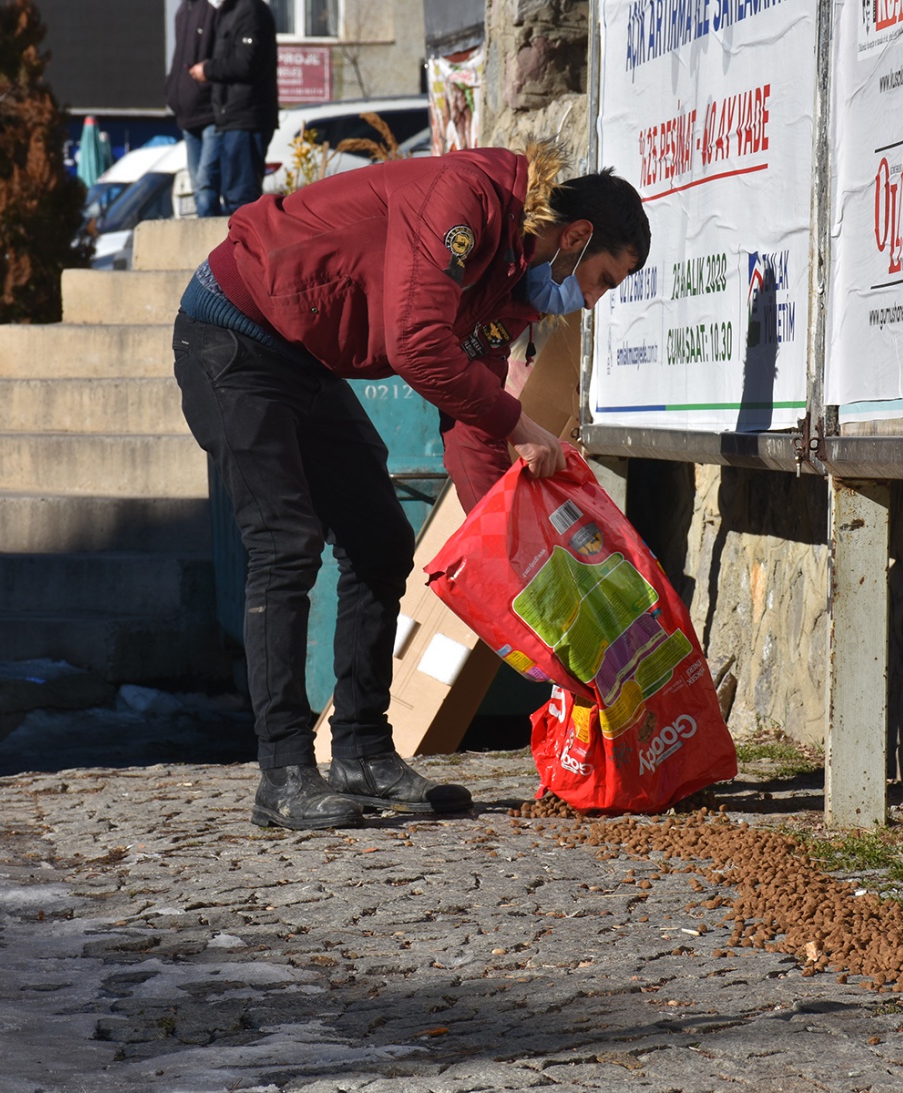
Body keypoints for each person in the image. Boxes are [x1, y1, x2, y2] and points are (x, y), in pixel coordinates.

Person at [172, 142, 650, 830]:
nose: (594, 299)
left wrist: (520, 568)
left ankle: (362, 750)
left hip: (301, 357)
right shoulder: (467, 200)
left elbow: (471, 427)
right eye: (602, 277)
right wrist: (520, 422)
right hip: (232, 333)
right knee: (285, 538)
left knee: (379, 538)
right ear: (575, 237)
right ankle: (282, 772)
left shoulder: (510, 287)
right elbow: (416, 342)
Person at [190, 0, 278, 219]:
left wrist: (208, 69)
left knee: (241, 198)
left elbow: (246, 62)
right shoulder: (228, 12)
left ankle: (244, 252)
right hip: (229, 118)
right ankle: (233, 250)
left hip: (247, 118)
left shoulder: (251, 11)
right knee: (230, 196)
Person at [165, 0, 223, 218]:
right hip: (188, 113)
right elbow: (179, 56)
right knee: (198, 184)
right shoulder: (183, 10)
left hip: (209, 112)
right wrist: (173, 89)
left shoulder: (212, 8)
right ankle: (210, 242)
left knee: (206, 184)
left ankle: (214, 245)